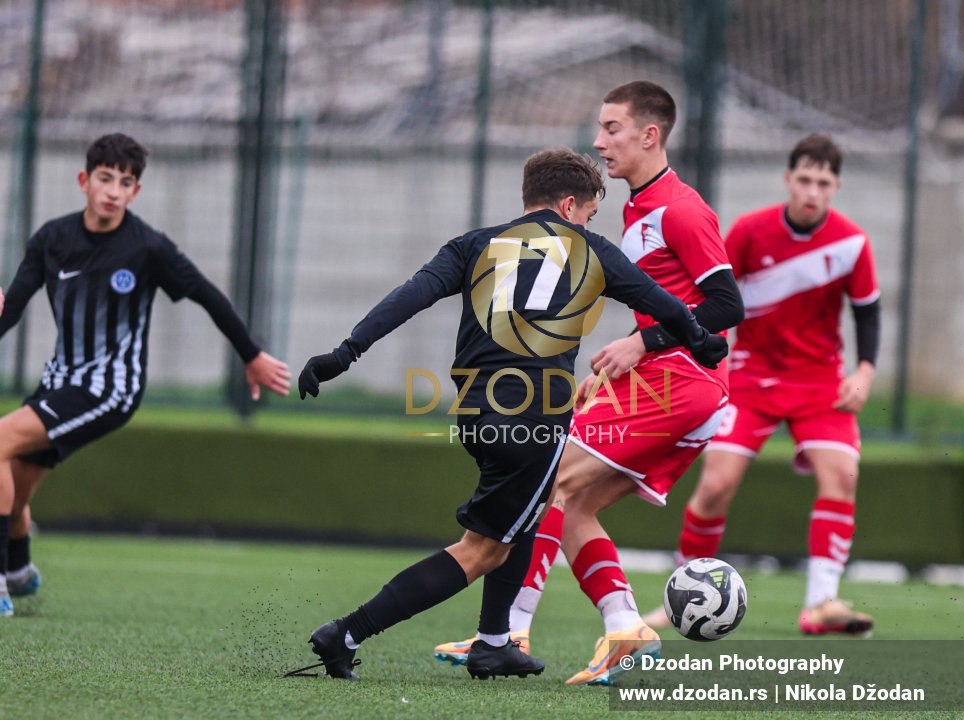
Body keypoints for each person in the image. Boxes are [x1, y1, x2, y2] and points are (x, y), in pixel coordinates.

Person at [293, 147, 729, 681]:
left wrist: (343, 354)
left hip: (475, 410)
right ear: (570, 205)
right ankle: (347, 632)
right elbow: (666, 304)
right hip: (535, 418)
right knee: (481, 551)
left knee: (530, 512)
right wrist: (703, 342)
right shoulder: (592, 250)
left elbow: (407, 298)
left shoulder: (474, 245)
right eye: (590, 213)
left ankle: (495, 643)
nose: (589, 221)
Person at [434, 80, 744, 685]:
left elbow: (727, 306)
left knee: (549, 477)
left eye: (611, 129)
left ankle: (509, 629)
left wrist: (642, 342)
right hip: (665, 380)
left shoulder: (681, 209)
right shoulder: (636, 208)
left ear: (649, 135)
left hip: (683, 378)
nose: (599, 141)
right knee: (573, 502)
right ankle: (624, 627)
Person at [0, 133, 292, 617]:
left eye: (126, 182)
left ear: (136, 192)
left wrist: (251, 354)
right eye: (105, 178)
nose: (114, 190)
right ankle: (19, 570)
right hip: (59, 384)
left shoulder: (148, 247)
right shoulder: (51, 240)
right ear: (84, 181)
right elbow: (13, 311)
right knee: (15, 477)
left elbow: (206, 294)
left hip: (110, 390)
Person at [640, 132, 880, 636]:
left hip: (820, 384)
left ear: (835, 186)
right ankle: (680, 597)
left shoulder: (853, 243)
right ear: (788, 179)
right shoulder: (749, 231)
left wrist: (864, 372)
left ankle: (822, 604)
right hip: (751, 377)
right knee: (716, 486)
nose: (813, 191)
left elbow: (867, 313)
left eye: (824, 182)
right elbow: (715, 293)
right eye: (806, 179)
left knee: (843, 477)